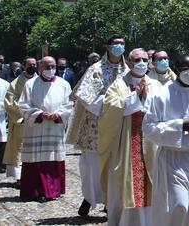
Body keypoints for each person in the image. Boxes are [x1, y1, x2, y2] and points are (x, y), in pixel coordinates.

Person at [144, 54, 189, 226]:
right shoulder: (161, 96)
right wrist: (177, 125)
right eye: (186, 69)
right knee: (179, 205)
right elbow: (148, 128)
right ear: (177, 69)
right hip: (173, 159)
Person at [97, 47, 164, 225]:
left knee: (152, 184)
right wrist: (136, 97)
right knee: (124, 185)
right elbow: (109, 110)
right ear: (128, 61)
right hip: (125, 145)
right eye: (136, 60)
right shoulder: (118, 85)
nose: (141, 63)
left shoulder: (156, 85)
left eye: (144, 59)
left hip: (151, 144)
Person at [67, 37, 126, 218]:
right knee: (93, 165)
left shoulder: (128, 70)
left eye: (122, 44)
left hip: (120, 125)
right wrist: (108, 105)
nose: (119, 47)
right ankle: (89, 197)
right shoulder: (96, 70)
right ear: (108, 47)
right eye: (116, 43)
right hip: (96, 124)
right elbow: (85, 97)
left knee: (116, 164)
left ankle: (111, 201)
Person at [18, 56, 74, 201]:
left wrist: (58, 115)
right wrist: (40, 114)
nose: (50, 69)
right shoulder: (30, 84)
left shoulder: (63, 84)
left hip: (54, 128)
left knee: (52, 158)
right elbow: (23, 105)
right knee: (35, 159)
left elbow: (69, 105)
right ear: (40, 67)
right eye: (47, 67)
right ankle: (35, 190)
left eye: (52, 66)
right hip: (36, 127)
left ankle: (53, 190)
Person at [3, 57, 38, 181]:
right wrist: (25, 113)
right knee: (19, 148)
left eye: (34, 64)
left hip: (37, 121)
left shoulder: (40, 81)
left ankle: (34, 174)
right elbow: (10, 101)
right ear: (24, 66)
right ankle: (20, 177)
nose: (33, 66)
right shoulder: (16, 83)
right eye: (30, 64)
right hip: (21, 121)